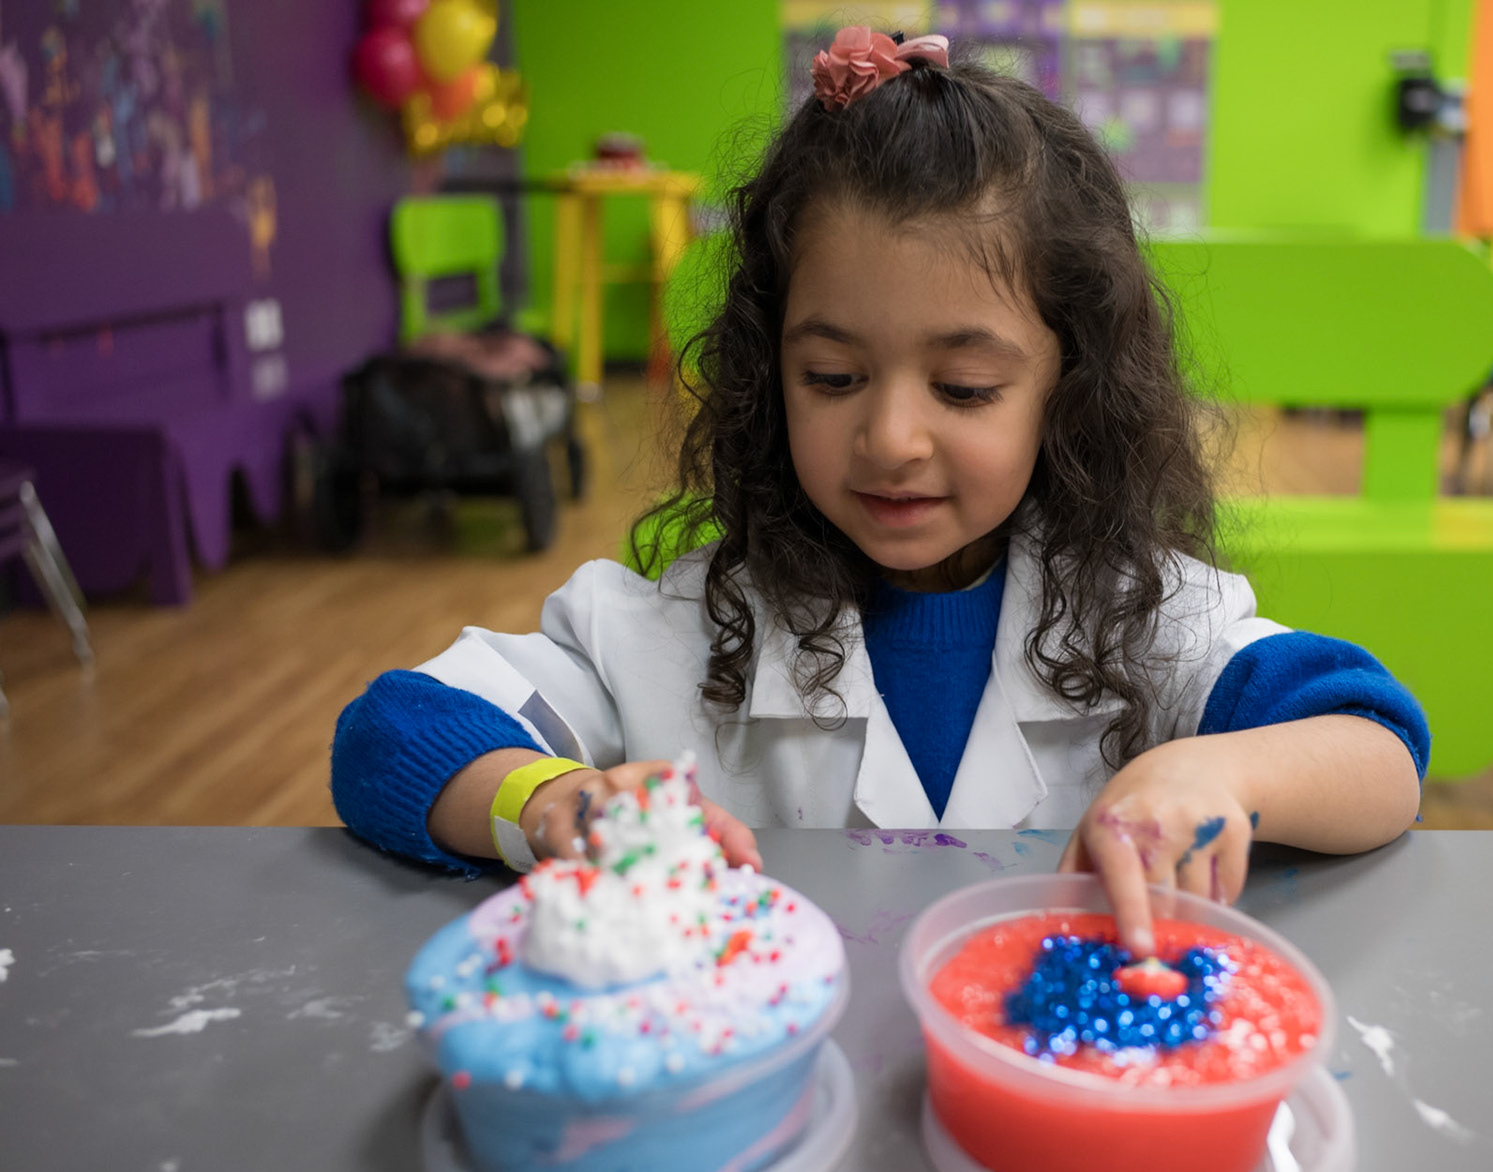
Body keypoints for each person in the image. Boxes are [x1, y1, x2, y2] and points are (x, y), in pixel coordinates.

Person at [331, 27, 1428, 957]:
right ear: (768, 375)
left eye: (964, 388)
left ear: (1068, 390)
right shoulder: (674, 628)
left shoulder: (1147, 616)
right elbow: (396, 731)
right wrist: (546, 799)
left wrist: (1214, 772)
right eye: (832, 377)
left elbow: (1376, 743)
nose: (891, 439)